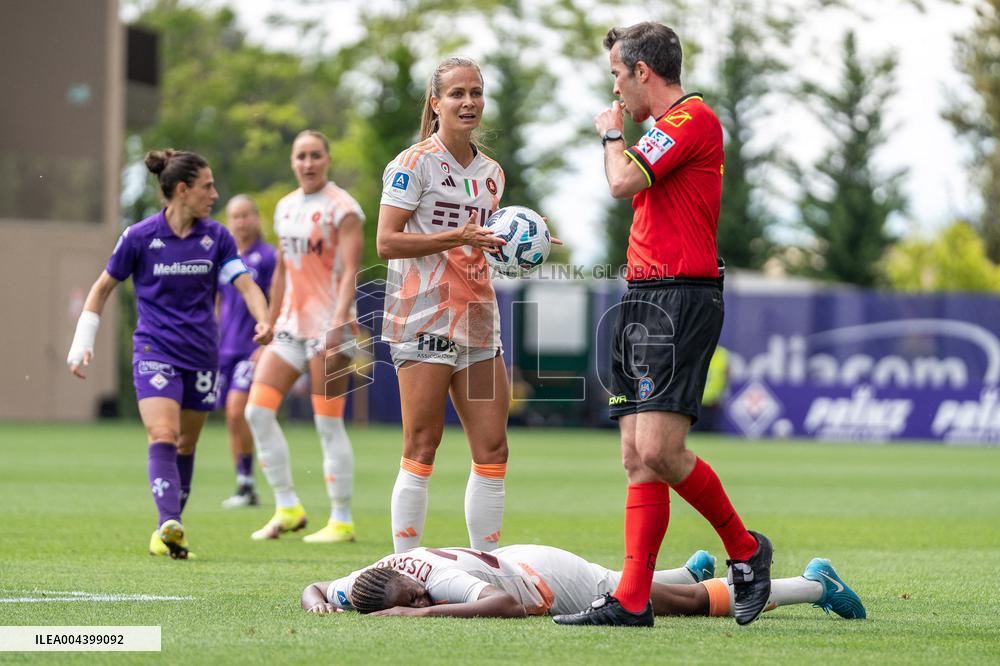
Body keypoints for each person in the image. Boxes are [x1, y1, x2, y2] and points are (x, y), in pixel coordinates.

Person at [554, 23, 773, 627]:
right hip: (643, 297)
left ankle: (746, 550)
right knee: (636, 456)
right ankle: (631, 600)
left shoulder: (689, 120)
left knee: (659, 449)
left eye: (617, 75)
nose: (615, 89)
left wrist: (610, 135)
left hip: (680, 297)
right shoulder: (663, 130)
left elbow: (621, 180)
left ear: (643, 71)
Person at [66, 149, 272, 559]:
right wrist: (82, 341)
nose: (214, 194)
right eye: (207, 186)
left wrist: (263, 320)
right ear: (182, 190)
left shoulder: (217, 237)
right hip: (154, 349)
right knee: (163, 434)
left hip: (202, 354)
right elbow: (102, 287)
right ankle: (169, 522)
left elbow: (246, 284)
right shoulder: (139, 236)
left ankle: (167, 533)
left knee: (186, 445)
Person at [376, 57, 512, 554]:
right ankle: (404, 566)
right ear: (436, 103)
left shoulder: (493, 174)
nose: (469, 101)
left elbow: (483, 242)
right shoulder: (412, 164)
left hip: (478, 320)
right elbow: (386, 242)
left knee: (493, 448)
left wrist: (523, 242)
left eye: (476, 92)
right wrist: (457, 235)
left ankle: (488, 566)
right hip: (423, 316)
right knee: (422, 446)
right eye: (457, 93)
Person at [244, 129, 364, 544]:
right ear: (292, 162)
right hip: (291, 327)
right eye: (301, 156)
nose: (308, 163)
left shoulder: (343, 208)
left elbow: (351, 270)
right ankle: (288, 506)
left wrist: (339, 321)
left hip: (331, 327)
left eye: (315, 155)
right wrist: (270, 319)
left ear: (327, 159)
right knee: (257, 413)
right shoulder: (285, 207)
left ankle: (341, 519)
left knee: (327, 423)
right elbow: (281, 269)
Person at [300, 545, 865, 621]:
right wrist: (316, 603)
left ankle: (812, 584)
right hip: (519, 558)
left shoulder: (436, 585)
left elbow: (504, 605)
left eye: (417, 593)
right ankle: (689, 568)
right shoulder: (368, 581)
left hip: (546, 578)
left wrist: (419, 612)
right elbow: (316, 587)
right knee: (629, 582)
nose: (424, 598)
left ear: (408, 579)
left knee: (687, 606)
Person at [217, 195, 277, 508]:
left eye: (245, 215)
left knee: (236, 410)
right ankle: (244, 482)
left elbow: (277, 298)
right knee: (231, 418)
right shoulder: (224, 258)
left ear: (256, 218)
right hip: (223, 348)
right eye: (235, 216)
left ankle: (251, 480)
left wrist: (266, 343)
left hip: (251, 347)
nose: (240, 222)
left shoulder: (267, 257)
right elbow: (218, 300)